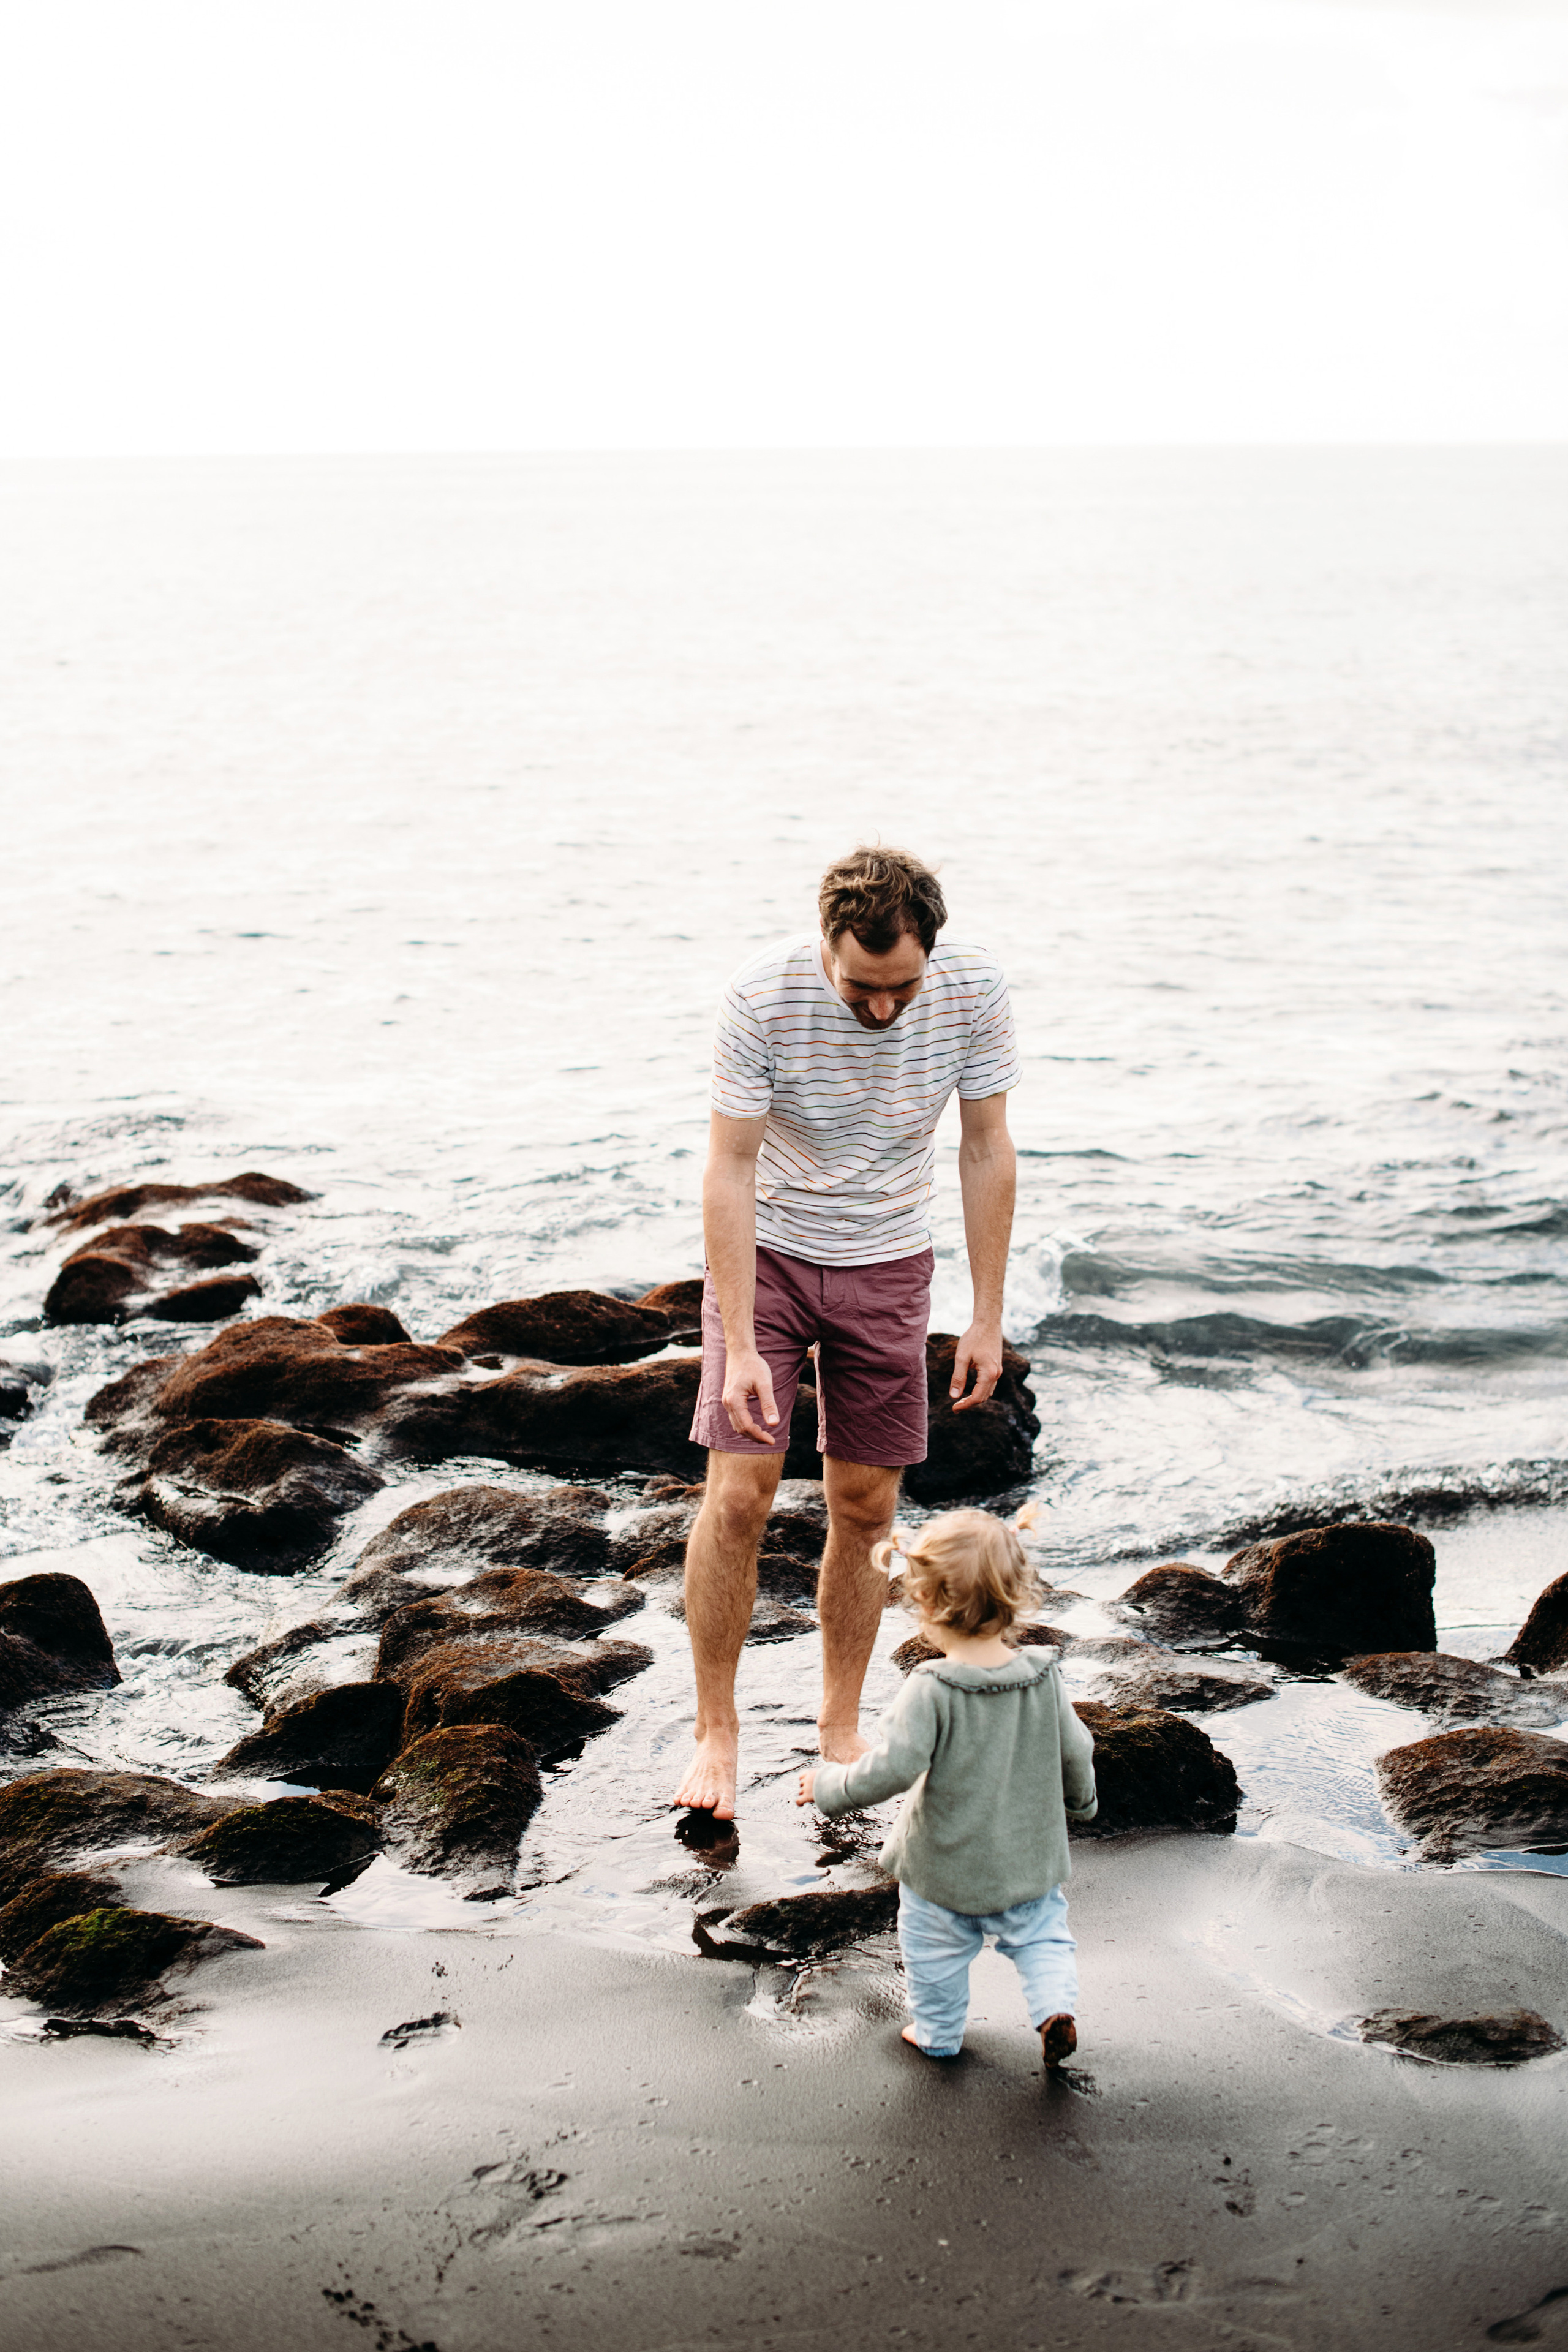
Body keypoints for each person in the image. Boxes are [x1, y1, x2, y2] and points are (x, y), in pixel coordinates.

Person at [673, 845, 1021, 1820]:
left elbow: (987, 1146)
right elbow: (728, 1168)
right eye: (861, 987)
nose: (881, 1009)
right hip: (770, 1257)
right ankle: (718, 1729)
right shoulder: (760, 998)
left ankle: (837, 1726)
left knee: (866, 1508)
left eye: (900, 987)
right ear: (825, 944)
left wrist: (985, 1317)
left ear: (930, 956)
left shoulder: (973, 991)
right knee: (739, 1494)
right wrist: (739, 1342)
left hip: (889, 1263)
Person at [797, 1509, 1097, 2067]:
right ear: (1014, 1595)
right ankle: (1054, 2006)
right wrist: (1082, 1804)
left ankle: (938, 2034)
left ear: (928, 1605)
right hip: (1028, 1864)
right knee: (1043, 1939)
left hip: (943, 1871)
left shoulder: (930, 1688)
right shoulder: (1043, 1674)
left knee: (933, 1952)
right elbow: (1076, 1749)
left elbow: (891, 1769)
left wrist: (828, 1786)